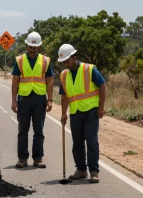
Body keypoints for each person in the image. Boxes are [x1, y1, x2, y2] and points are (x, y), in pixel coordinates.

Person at [57, 44, 106, 183]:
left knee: (91, 142)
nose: (65, 64)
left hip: (91, 111)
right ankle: (81, 170)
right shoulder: (64, 75)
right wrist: (63, 113)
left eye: (67, 61)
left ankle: (94, 171)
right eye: (63, 62)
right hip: (75, 112)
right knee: (77, 143)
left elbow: (102, 86)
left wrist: (101, 107)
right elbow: (64, 95)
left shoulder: (89, 69)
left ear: (74, 57)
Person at [11, 31, 54, 169]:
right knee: (23, 130)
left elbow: (50, 81)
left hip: (39, 99)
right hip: (24, 99)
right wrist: (14, 100)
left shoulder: (45, 61)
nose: (32, 48)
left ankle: (38, 158)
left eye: (34, 46)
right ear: (26, 46)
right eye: (30, 46)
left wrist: (50, 100)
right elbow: (15, 81)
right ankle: (22, 158)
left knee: (39, 130)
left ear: (39, 47)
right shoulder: (20, 60)